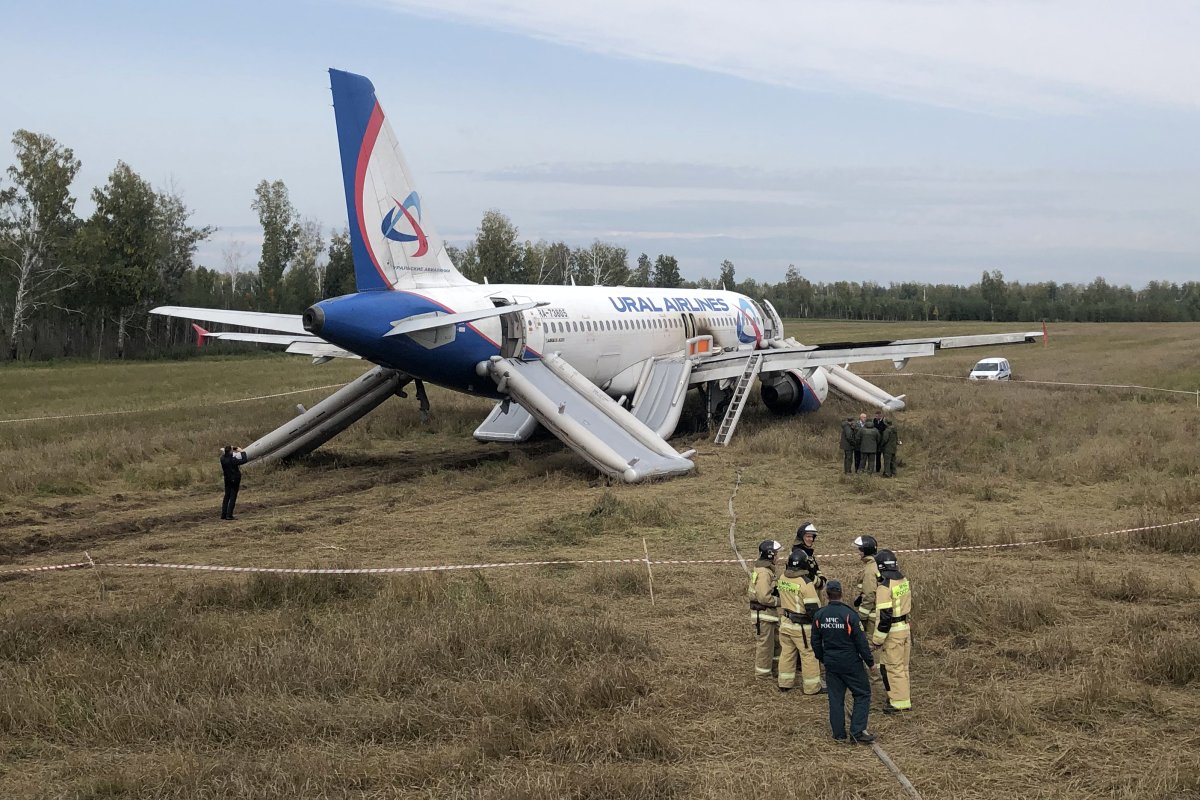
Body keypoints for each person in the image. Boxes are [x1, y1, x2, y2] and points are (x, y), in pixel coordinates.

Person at [812, 580, 876, 744]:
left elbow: (815, 642)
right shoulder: (849, 615)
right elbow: (861, 642)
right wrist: (870, 662)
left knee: (835, 699)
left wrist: (823, 658)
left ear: (827, 595)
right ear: (841, 593)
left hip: (831, 663)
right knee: (862, 694)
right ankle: (857, 732)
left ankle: (839, 734)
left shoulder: (820, 615)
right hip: (851, 663)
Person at [775, 549, 824, 694]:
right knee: (809, 655)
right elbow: (813, 609)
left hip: (785, 623)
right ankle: (812, 687)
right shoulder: (806, 583)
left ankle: (785, 683)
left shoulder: (783, 577)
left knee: (787, 653)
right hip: (802, 627)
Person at [872, 549, 913, 713]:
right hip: (904, 628)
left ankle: (898, 703)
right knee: (903, 667)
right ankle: (903, 697)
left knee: (893, 668)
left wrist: (877, 640)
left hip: (893, 633)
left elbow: (884, 617)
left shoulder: (884, 587)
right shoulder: (903, 581)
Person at [747, 539, 782, 680]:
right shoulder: (764, 573)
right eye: (776, 554)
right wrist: (780, 601)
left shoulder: (763, 569)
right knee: (765, 646)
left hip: (768, 615)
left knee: (775, 644)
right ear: (770, 555)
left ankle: (774, 670)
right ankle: (762, 675)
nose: (777, 557)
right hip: (764, 615)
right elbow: (764, 597)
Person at [791, 522, 827, 601]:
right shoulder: (798, 554)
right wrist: (819, 582)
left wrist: (821, 576)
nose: (811, 539)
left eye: (812, 537)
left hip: (814, 590)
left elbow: (815, 567)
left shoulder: (807, 552)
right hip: (806, 594)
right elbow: (803, 575)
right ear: (801, 537)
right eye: (808, 536)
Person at [219, 445, 248, 520]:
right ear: (231, 452)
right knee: (233, 497)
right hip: (234, 479)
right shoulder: (233, 460)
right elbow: (244, 460)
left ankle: (223, 514)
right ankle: (229, 515)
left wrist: (231, 448)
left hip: (227, 479)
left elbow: (226, 454)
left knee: (227, 496)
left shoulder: (222, 459)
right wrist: (242, 451)